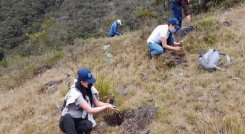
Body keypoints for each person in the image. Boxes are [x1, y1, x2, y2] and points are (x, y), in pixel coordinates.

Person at [59, 68, 115, 134]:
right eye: (88, 81)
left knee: (88, 125)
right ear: (82, 82)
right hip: (67, 122)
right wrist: (105, 107)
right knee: (67, 117)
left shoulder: (89, 88)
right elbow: (90, 110)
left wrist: (108, 105)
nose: (90, 83)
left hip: (78, 120)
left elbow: (97, 103)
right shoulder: (76, 93)